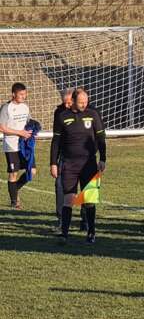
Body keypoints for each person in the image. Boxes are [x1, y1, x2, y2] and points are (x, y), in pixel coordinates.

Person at [50, 88, 106, 243]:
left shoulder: (93, 114)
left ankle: (91, 232)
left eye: (86, 101)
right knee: (69, 199)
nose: (84, 104)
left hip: (89, 163)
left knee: (89, 199)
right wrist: (53, 163)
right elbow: (55, 142)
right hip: (69, 164)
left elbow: (101, 137)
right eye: (81, 102)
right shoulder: (62, 117)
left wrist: (103, 158)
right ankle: (64, 234)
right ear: (73, 101)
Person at [0, 82, 33, 209]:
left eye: (25, 94)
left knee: (32, 171)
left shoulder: (25, 107)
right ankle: (14, 202)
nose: (24, 96)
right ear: (13, 94)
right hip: (11, 145)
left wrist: (32, 130)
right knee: (13, 173)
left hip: (24, 145)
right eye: (21, 94)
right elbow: (2, 127)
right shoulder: (6, 108)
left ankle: (15, 188)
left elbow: (28, 122)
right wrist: (19, 132)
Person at [52, 86, 75, 228]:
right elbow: (56, 139)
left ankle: (85, 220)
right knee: (59, 185)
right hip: (64, 157)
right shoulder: (59, 113)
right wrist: (53, 162)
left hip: (81, 158)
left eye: (68, 102)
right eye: (64, 102)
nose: (66, 105)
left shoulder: (87, 112)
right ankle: (60, 219)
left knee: (84, 189)